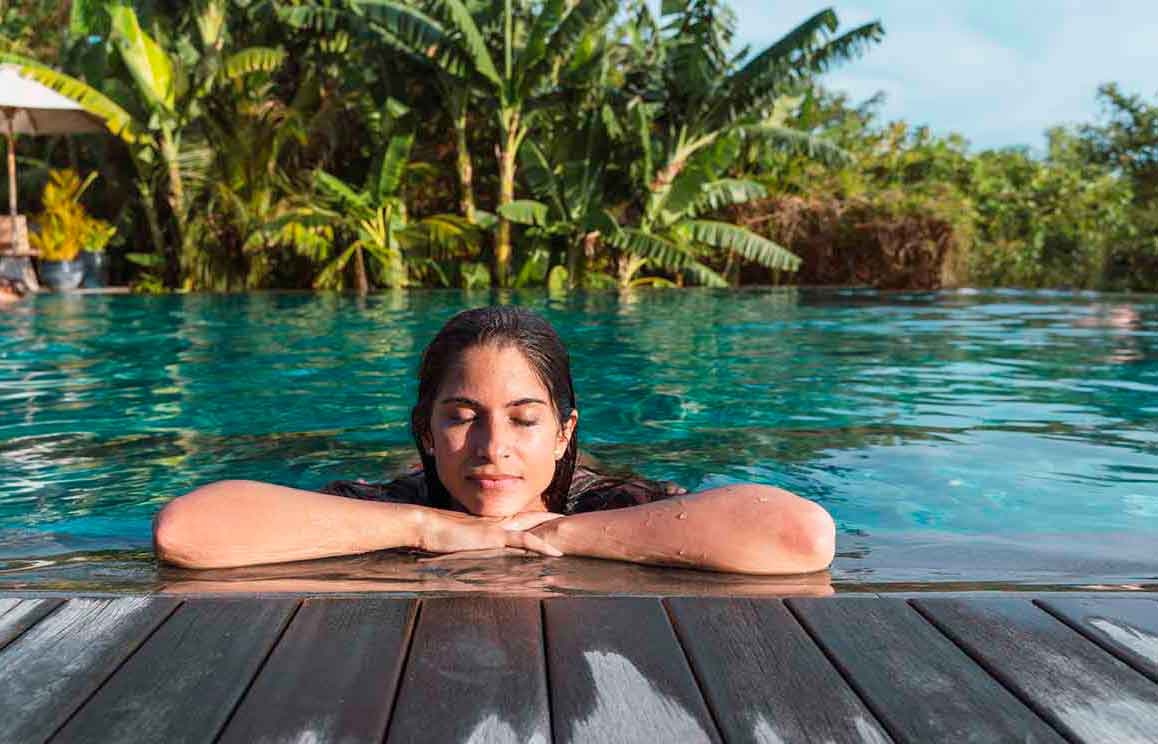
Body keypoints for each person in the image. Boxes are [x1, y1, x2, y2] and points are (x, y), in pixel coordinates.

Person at [153, 306, 836, 574]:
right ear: (424, 429)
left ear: (565, 433)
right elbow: (185, 531)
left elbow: (802, 537)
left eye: (524, 417)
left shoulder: (616, 502)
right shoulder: (391, 504)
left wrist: (551, 535)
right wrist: (430, 525)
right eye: (461, 415)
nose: (492, 447)